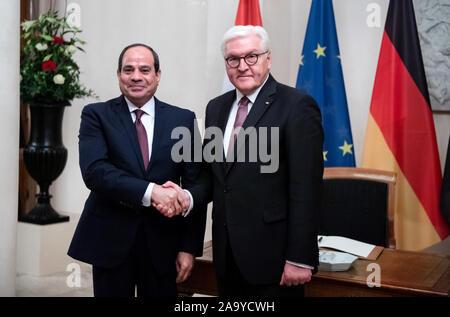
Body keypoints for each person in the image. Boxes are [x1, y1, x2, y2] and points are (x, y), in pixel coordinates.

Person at [161, 25, 324, 296]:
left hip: (275, 260)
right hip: (226, 255)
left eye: (252, 56)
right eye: (233, 59)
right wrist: (187, 197)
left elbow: (306, 188)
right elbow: (215, 177)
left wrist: (300, 257)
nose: (242, 66)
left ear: (268, 59)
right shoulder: (216, 107)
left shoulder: (296, 105)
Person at [67, 43, 206, 297]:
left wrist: (189, 248)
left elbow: (197, 183)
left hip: (164, 244)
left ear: (157, 75)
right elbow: (95, 172)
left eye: (145, 69)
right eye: (128, 69)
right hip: (110, 241)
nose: (136, 76)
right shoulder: (96, 115)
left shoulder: (183, 119)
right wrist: (152, 192)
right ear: (119, 75)